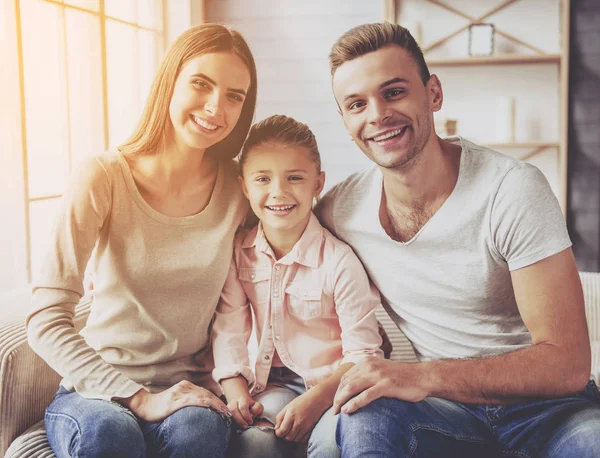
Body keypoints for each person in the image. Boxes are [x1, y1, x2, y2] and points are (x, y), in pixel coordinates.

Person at [315, 22, 600, 457]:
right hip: (445, 414)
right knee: (365, 417)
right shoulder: (341, 209)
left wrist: (422, 376)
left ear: (433, 93)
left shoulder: (512, 189)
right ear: (345, 120)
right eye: (357, 104)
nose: (376, 115)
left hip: (550, 410)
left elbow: (568, 363)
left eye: (393, 92)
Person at [26, 23, 257, 458]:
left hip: (189, 390)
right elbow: (45, 318)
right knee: (112, 435)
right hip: (96, 390)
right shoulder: (103, 176)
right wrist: (138, 398)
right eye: (201, 84)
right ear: (169, 81)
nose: (215, 107)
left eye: (234, 96)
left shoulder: (239, 187)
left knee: (201, 434)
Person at [211, 114, 383, 457]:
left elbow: (364, 354)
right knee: (255, 443)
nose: (279, 192)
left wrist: (315, 401)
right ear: (244, 185)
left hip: (331, 386)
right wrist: (234, 389)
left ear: (317, 184)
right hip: (268, 384)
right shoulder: (238, 251)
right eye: (263, 179)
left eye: (295, 178)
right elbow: (229, 325)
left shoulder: (339, 261)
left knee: (331, 446)